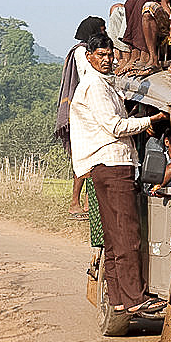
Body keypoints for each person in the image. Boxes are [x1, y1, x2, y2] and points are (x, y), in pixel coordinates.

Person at [69, 32, 168, 315]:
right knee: (128, 235)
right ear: (89, 57)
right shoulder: (96, 87)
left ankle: (118, 299)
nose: (108, 60)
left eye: (110, 55)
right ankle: (136, 299)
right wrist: (150, 120)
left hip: (107, 166)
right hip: (113, 164)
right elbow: (114, 126)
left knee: (114, 239)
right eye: (102, 55)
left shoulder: (102, 84)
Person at [56, 16, 105, 218]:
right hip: (84, 110)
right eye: (101, 30)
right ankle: (76, 202)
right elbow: (89, 76)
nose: (104, 33)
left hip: (88, 108)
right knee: (84, 158)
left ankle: (86, 202)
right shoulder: (81, 52)